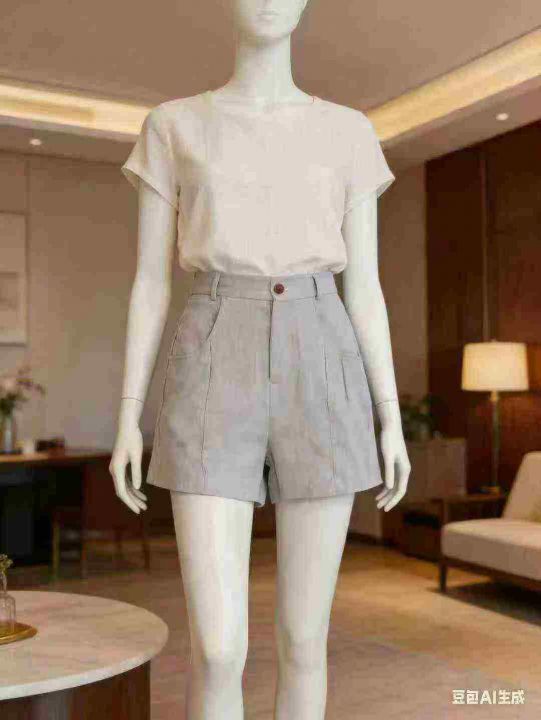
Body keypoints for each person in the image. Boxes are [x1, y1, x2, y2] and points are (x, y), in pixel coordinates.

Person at [110, 1, 411, 717]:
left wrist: (389, 415)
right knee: (217, 650)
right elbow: (150, 281)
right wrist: (128, 416)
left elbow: (365, 287)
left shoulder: (348, 131)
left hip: (323, 347)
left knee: (305, 640)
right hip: (214, 347)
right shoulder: (174, 125)